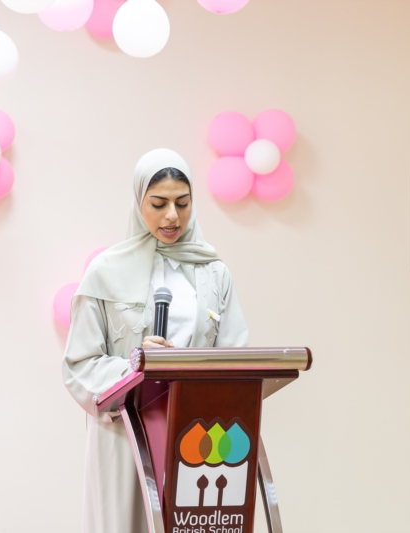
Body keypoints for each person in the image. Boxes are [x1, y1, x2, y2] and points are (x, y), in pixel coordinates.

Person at [62, 148, 249, 533]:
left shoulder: (214, 272)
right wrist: (134, 366)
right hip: (125, 433)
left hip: (197, 431)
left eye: (182, 203)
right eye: (159, 203)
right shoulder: (106, 272)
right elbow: (79, 365)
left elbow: (235, 356)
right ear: (138, 202)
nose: (172, 216)